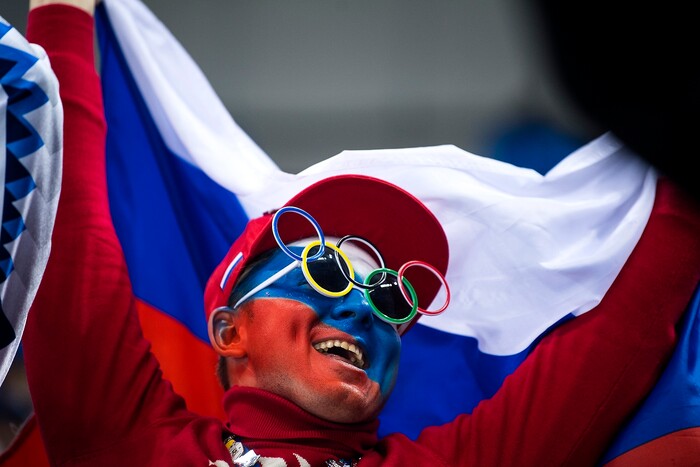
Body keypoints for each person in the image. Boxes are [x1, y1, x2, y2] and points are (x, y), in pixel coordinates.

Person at [20, 0, 700, 466]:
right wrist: (63, 12)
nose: (368, 307)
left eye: (395, 298)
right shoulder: (132, 441)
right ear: (231, 330)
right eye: (326, 271)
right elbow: (68, 221)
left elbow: (631, 321)